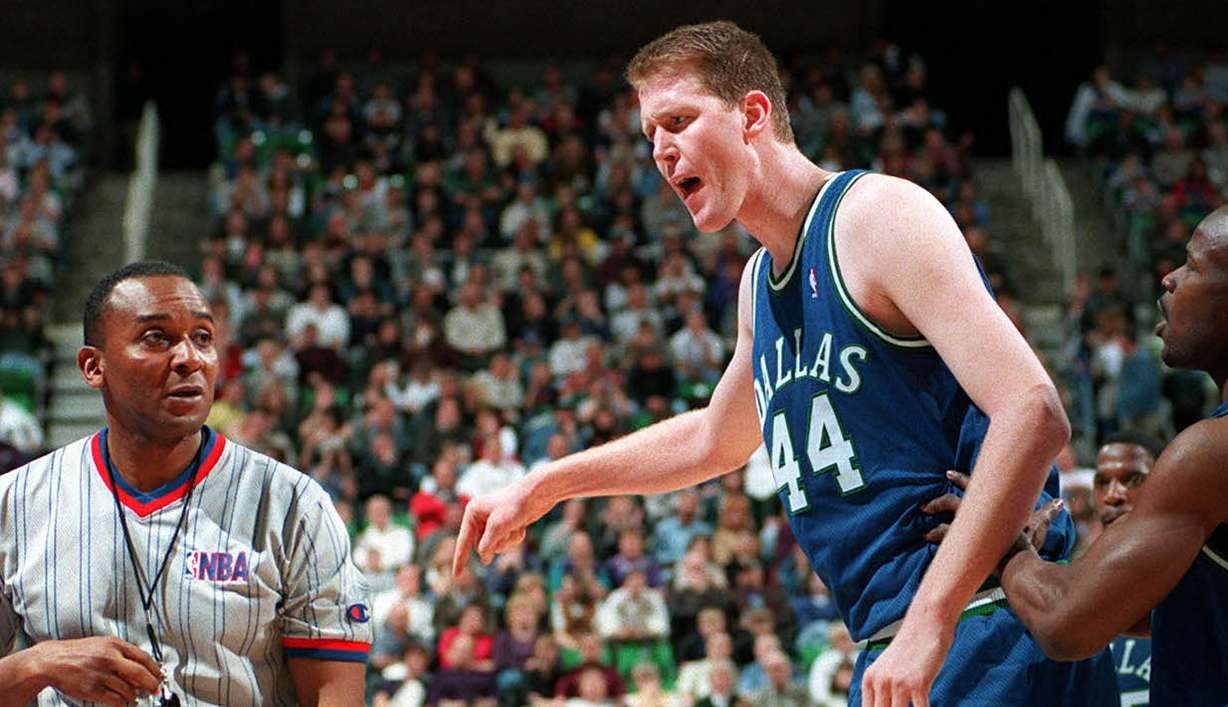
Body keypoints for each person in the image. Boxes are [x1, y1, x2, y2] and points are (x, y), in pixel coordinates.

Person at [454, 21, 1114, 706]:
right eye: (650, 134)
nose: (660, 150)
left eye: (678, 120)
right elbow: (718, 438)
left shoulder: (876, 217)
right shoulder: (756, 286)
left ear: (752, 114)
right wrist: (547, 484)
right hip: (897, 640)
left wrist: (931, 620)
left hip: (983, 620)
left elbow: (1033, 410)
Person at [0, 261, 369, 705]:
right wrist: (37, 664)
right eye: (156, 338)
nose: (189, 358)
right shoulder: (17, 502)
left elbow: (335, 695)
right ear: (93, 366)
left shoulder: (293, 505)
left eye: (203, 338)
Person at [979, 206, 1228, 706]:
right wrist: (1048, 568)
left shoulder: (1212, 451)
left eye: (1193, 266)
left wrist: (995, 538)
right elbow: (1147, 608)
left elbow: (1066, 624)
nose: (1169, 278)